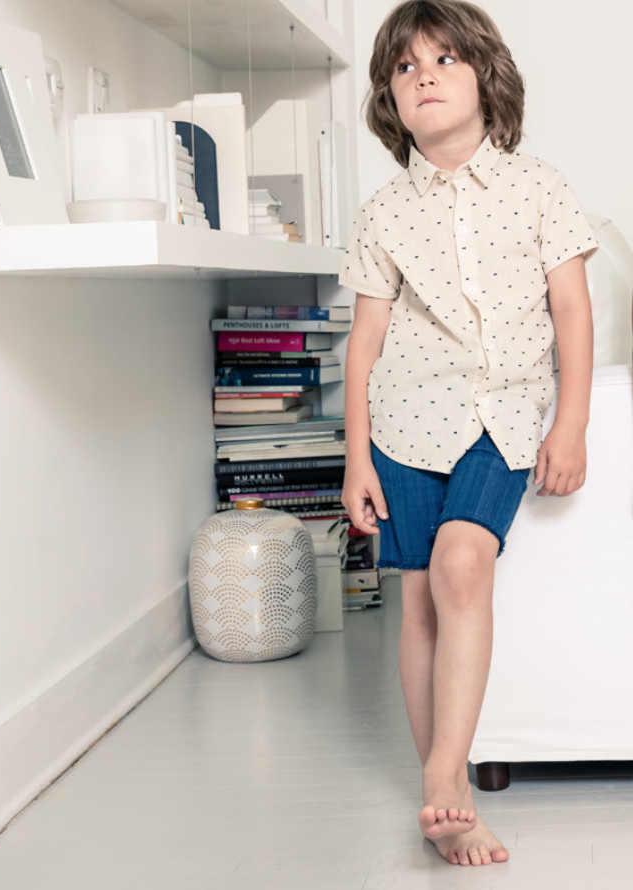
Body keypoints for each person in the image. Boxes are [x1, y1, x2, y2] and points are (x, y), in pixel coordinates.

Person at [339, 0, 597, 868]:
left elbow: (572, 309)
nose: (424, 78)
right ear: (390, 98)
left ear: (486, 79)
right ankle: (444, 794)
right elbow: (366, 343)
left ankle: (444, 781)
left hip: (507, 411)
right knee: (417, 598)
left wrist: (573, 425)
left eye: (443, 60)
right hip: (407, 421)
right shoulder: (383, 212)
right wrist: (353, 459)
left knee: (461, 562)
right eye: (405, 69)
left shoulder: (542, 187)